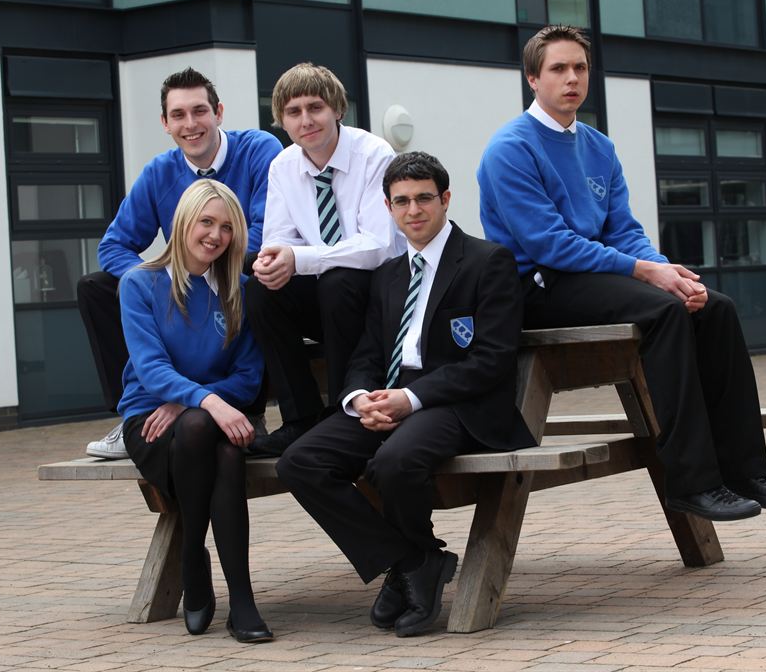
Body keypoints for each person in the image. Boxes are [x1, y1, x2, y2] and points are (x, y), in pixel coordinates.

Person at [477, 25, 766, 522]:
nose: (572, 78)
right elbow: (548, 244)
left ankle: (743, 470)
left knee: (713, 307)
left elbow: (623, 229)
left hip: (592, 277)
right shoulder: (511, 149)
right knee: (665, 313)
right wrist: (645, 273)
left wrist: (667, 270)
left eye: (580, 68)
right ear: (532, 78)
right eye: (558, 69)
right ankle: (693, 483)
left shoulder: (598, 147)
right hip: (537, 286)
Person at [276, 152, 534, 637]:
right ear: (389, 207)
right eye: (401, 202)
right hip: (389, 395)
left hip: (458, 402)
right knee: (300, 462)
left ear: (445, 199)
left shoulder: (488, 261)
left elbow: (490, 361)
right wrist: (357, 399)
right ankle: (414, 559)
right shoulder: (389, 273)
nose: (413, 210)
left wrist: (410, 401)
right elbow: (368, 353)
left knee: (392, 462)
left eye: (423, 199)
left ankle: (409, 564)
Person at [80, 67, 282, 460]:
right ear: (165, 123)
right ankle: (134, 415)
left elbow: (265, 230)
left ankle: (249, 410)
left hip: (239, 276)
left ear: (218, 112)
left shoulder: (259, 149)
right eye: (178, 115)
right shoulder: (159, 172)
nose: (191, 124)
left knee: (260, 277)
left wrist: (213, 271)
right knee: (96, 286)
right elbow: (114, 246)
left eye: (200, 111)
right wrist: (162, 284)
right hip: (187, 283)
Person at [118, 178, 272, 641]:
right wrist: (202, 401)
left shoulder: (240, 290)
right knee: (209, 433)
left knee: (221, 447)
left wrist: (191, 402)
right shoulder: (139, 284)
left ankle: (207, 569)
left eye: (227, 227)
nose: (216, 235)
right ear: (184, 221)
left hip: (201, 420)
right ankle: (225, 589)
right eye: (206, 221)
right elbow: (150, 368)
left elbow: (249, 376)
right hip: (151, 423)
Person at [245, 62, 401, 457]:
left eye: (315, 107)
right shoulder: (283, 166)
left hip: (380, 295)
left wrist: (302, 258)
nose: (306, 120)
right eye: (293, 112)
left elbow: (379, 245)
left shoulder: (374, 154)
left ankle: (345, 411)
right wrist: (273, 263)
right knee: (262, 291)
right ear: (281, 120)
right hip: (329, 297)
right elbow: (280, 240)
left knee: (338, 279)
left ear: (337, 109)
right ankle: (300, 419)